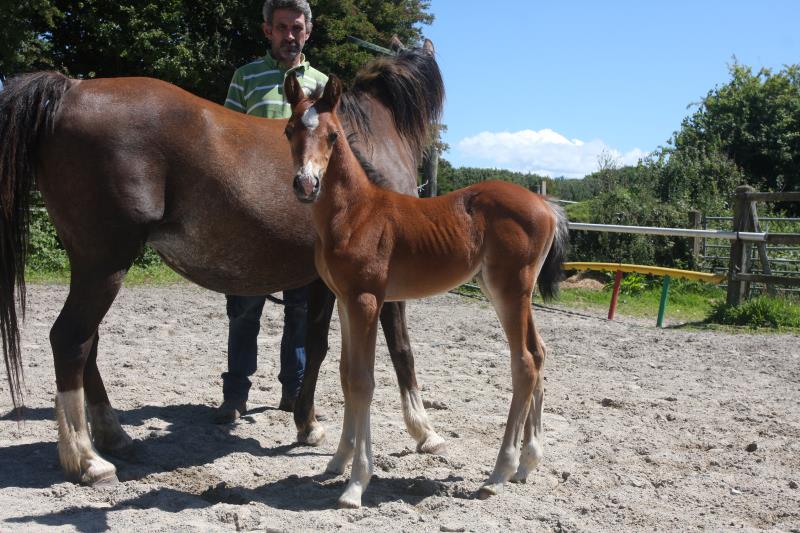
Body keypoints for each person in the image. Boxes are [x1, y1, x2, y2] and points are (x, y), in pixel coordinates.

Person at [214, 0, 328, 424]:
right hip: (252, 217)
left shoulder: (321, 84)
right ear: (268, 31)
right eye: (281, 27)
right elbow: (224, 143)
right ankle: (235, 394)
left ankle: (294, 392)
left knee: (302, 308)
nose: (289, 35)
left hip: (304, 219)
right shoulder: (245, 79)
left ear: (307, 31)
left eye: (296, 27)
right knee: (244, 307)